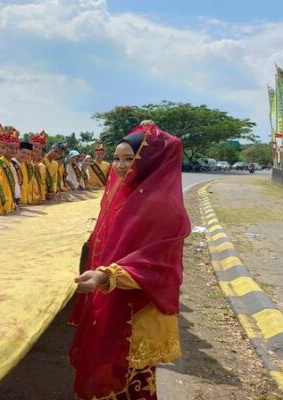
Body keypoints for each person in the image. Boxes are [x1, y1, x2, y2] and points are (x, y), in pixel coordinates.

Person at [68, 121, 190, 400]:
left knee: (131, 379)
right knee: (109, 367)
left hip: (137, 309)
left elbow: (158, 263)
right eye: (117, 159)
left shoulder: (162, 205)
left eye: (129, 159)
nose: (121, 166)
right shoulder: (125, 194)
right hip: (113, 296)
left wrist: (107, 276)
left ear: (149, 161)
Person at [4, 127, 23, 208]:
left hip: (15, 200)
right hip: (7, 202)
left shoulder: (12, 163)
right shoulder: (0, 163)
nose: (14, 150)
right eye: (11, 147)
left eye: (16, 148)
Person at [30, 132, 48, 203]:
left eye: (40, 148)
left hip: (37, 200)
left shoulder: (41, 166)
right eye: (35, 146)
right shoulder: (24, 161)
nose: (37, 149)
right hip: (26, 200)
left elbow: (42, 183)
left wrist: (42, 197)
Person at [16, 141, 34, 205]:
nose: (25, 156)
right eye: (23, 153)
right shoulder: (12, 164)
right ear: (17, 151)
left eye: (29, 154)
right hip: (16, 202)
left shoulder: (25, 165)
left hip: (24, 202)